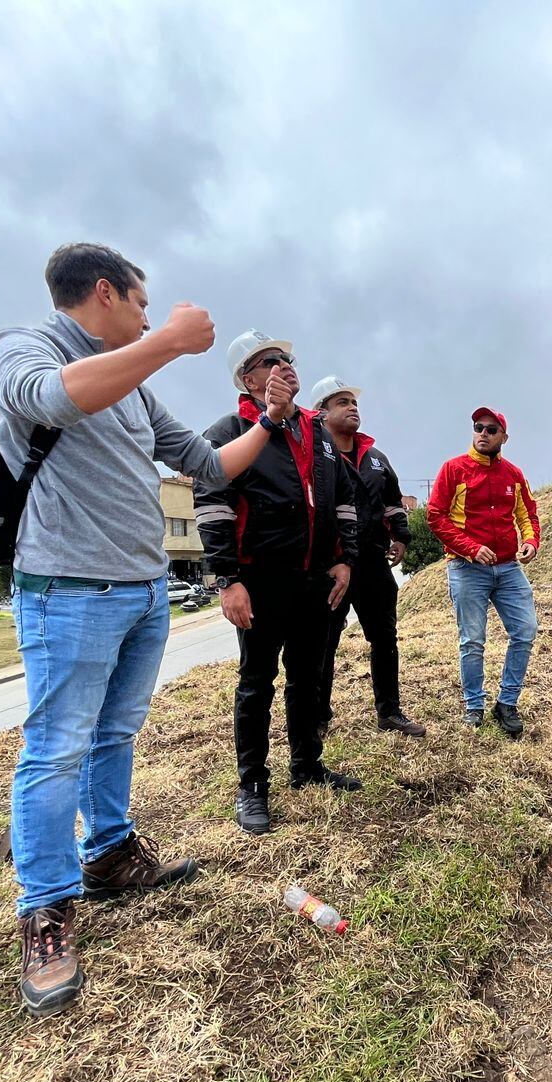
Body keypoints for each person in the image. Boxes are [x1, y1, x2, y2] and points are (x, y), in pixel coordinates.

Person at [0, 242, 289, 1017]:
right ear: (104, 292)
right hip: (68, 590)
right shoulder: (26, 348)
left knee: (115, 734)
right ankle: (46, 911)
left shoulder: (135, 389)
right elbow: (52, 400)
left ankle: (111, 855)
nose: (150, 317)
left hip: (142, 589)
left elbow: (205, 465)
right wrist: (168, 343)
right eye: (142, 304)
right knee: (56, 748)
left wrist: (272, 421)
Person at [193, 332, 361, 839]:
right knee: (256, 683)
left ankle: (307, 765)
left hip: (314, 580)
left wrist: (344, 560)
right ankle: (252, 785)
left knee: (307, 677)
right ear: (248, 379)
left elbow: (344, 501)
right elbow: (213, 507)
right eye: (270, 361)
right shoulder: (230, 430)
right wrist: (228, 579)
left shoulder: (317, 431)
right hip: (259, 582)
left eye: (288, 358)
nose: (284, 365)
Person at [311, 375, 426, 738]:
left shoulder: (375, 459)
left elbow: (392, 502)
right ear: (321, 412)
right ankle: (317, 716)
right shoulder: (314, 457)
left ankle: (389, 712)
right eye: (342, 402)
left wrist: (402, 537)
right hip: (330, 566)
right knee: (323, 642)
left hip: (373, 563)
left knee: (385, 638)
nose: (352, 407)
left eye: (354, 402)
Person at [426, 407, 541, 737]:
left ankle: (507, 703)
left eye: (492, 429)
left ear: (504, 437)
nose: (484, 433)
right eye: (479, 427)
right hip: (466, 568)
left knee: (525, 630)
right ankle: (474, 706)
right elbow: (436, 517)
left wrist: (531, 542)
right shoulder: (453, 469)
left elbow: (528, 515)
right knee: (472, 640)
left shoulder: (514, 475)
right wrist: (470, 548)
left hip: (509, 568)